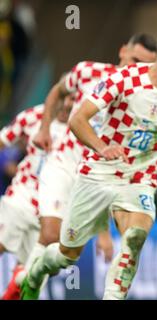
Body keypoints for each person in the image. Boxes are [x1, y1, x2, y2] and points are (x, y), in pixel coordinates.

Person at [21, 27, 157, 300]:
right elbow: (77, 119)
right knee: (67, 255)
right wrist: (101, 147)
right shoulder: (123, 80)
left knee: (134, 238)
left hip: (139, 178)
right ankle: (37, 271)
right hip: (97, 174)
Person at [17, 34, 157, 296]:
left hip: (96, 176)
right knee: (49, 234)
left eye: (143, 66)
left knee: (64, 256)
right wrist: (45, 127)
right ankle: (25, 288)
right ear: (122, 50)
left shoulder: (143, 100)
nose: (135, 68)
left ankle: (28, 279)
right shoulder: (88, 72)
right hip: (63, 164)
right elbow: (58, 91)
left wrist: (103, 233)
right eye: (134, 60)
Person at [0, 96, 72, 299]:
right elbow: (3, 140)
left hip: (52, 211)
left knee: (34, 276)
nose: (67, 103)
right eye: (66, 98)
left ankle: (16, 285)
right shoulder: (33, 116)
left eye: (74, 99)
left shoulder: (83, 129)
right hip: (21, 197)